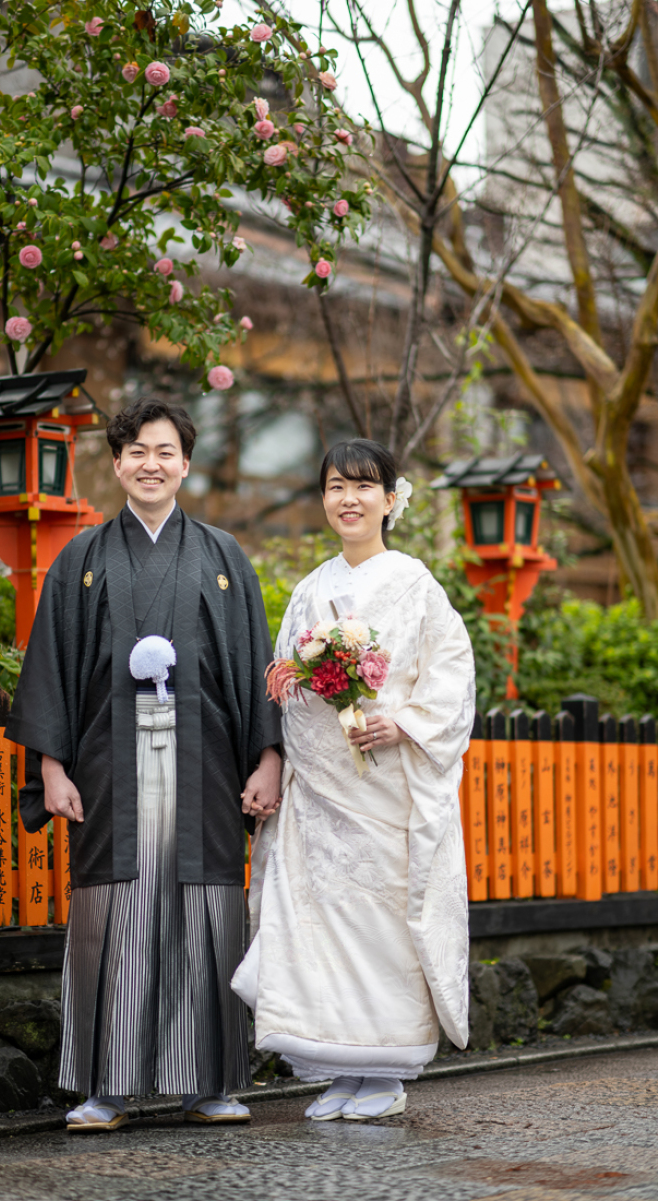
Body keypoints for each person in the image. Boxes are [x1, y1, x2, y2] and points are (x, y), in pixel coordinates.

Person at [6, 398, 282, 1131]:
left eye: (164, 451)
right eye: (136, 450)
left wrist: (269, 756)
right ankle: (107, 1084)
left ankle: (212, 1080)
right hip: (107, 764)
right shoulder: (83, 559)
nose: (150, 463)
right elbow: (52, 668)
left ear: (185, 462)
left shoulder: (222, 556)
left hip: (208, 763)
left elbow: (257, 662)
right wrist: (52, 768)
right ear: (118, 461)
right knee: (113, 912)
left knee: (206, 911)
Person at [232, 438, 475, 1121]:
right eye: (337, 485)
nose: (349, 498)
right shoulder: (310, 588)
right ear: (323, 498)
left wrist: (402, 723)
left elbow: (453, 679)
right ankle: (339, 1065)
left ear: (391, 499)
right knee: (323, 927)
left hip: (386, 790)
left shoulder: (416, 583)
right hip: (321, 793)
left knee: (381, 926)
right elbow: (283, 678)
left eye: (365, 486)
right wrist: (284, 738)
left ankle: (386, 1070)